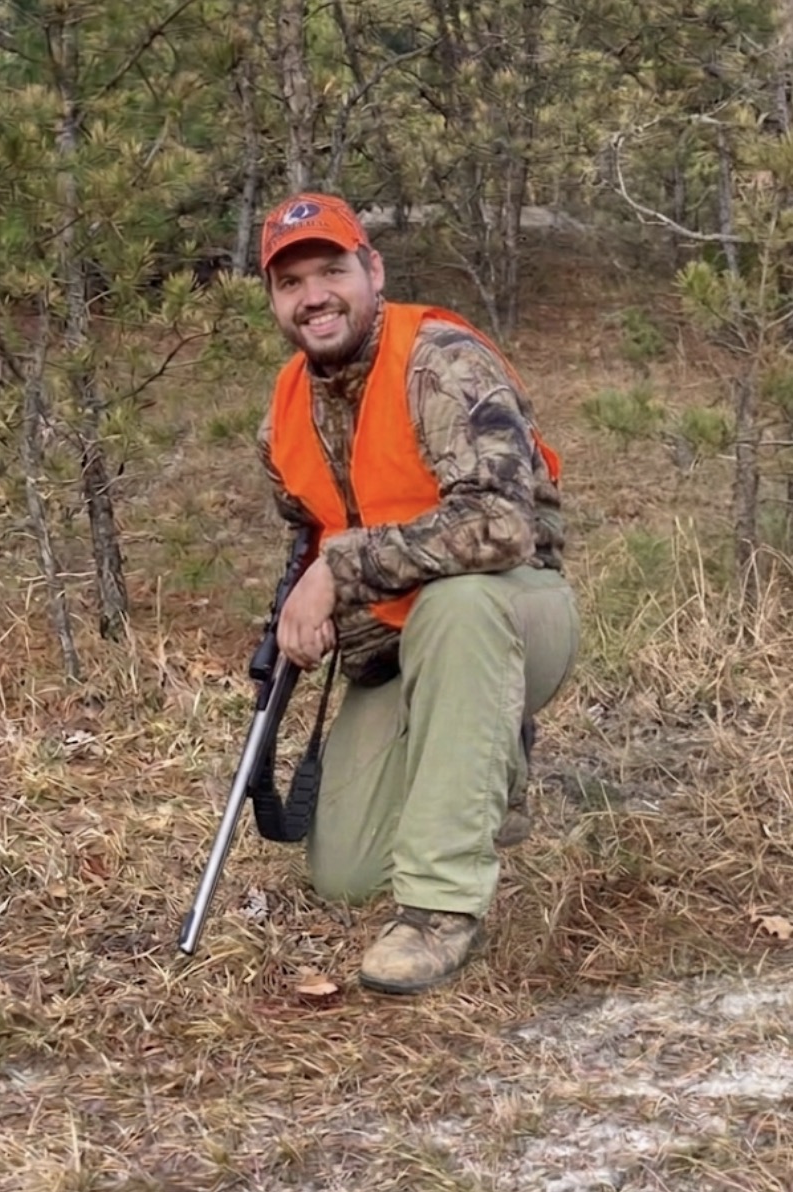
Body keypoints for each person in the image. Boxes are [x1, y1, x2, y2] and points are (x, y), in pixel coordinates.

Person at [255, 192, 579, 995]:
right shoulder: (285, 412)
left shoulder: (441, 362)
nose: (314, 296)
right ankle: (477, 764)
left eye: (332, 271)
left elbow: (502, 526)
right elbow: (308, 537)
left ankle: (441, 910)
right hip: (397, 647)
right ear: (275, 301)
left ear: (373, 270)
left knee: (458, 605)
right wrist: (310, 615)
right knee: (347, 873)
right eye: (291, 283)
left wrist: (339, 572)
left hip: (514, 613)